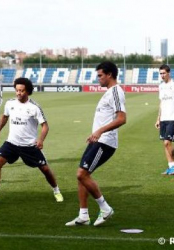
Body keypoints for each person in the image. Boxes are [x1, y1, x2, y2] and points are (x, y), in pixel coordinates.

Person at [0, 77, 63, 204]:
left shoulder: (34, 107)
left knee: (45, 169)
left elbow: (45, 126)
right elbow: (4, 118)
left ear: (28, 91)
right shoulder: (10, 104)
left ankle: (56, 191)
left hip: (29, 146)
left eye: (21, 91)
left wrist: (41, 140)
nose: (18, 93)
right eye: (17, 90)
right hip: (12, 144)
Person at [66, 61, 126, 227]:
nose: (98, 79)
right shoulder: (108, 93)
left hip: (105, 142)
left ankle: (105, 208)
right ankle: (83, 215)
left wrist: (100, 131)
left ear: (109, 75)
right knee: (82, 176)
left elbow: (122, 118)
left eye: (100, 75)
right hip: (97, 140)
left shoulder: (116, 92)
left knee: (82, 174)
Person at [155, 64, 174, 175]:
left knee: (168, 142)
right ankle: (171, 166)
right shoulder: (161, 86)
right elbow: (161, 103)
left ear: (169, 73)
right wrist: (158, 118)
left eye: (163, 73)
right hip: (163, 119)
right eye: (160, 73)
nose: (162, 75)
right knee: (165, 143)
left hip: (173, 118)